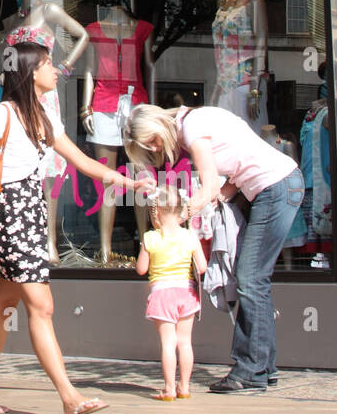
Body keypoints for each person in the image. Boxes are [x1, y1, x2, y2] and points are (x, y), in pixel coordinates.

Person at [0, 40, 156, 414]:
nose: (56, 70)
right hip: (7, 217)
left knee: (3, 306)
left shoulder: (43, 118)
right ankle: (68, 396)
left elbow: (82, 160)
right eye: (49, 64)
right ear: (31, 72)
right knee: (42, 306)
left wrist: (128, 182)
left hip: (29, 215)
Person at [123, 103, 304, 393]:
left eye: (153, 141)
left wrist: (178, 218)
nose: (156, 148)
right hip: (276, 186)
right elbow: (239, 165)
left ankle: (251, 371)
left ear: (159, 127)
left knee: (250, 279)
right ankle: (263, 368)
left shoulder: (193, 128)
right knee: (254, 280)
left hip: (276, 188)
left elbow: (207, 188)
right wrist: (222, 195)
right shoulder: (196, 121)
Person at [136, 184, 206, 400]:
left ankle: (168, 388)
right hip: (186, 292)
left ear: (156, 212)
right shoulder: (190, 236)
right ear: (182, 211)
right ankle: (184, 387)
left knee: (168, 343)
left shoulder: (150, 238)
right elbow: (202, 267)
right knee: (185, 342)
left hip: (161, 294)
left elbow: (141, 269)